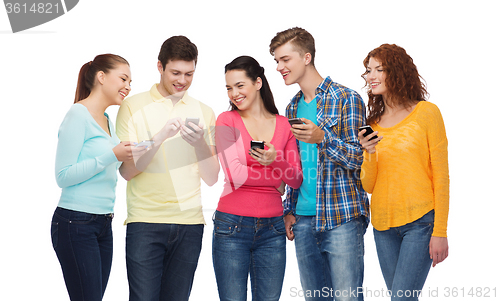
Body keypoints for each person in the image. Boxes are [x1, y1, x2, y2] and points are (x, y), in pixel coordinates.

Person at [115, 36, 219, 301]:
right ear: (159, 67)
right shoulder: (132, 106)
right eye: (175, 72)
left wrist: (199, 145)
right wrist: (159, 137)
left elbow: (211, 178)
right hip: (145, 222)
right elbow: (127, 172)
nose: (182, 80)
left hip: (190, 224)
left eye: (189, 74)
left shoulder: (204, 111)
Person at [269, 27, 369, 301]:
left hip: (342, 218)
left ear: (307, 57)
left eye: (285, 59)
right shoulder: (291, 109)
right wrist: (289, 208)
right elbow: (296, 164)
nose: (279, 67)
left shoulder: (346, 99)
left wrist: (322, 137)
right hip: (302, 220)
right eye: (276, 61)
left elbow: (361, 159)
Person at [358, 44, 449, 300]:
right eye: (368, 71)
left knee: (402, 298)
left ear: (397, 72)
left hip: (420, 223)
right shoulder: (372, 124)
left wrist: (440, 231)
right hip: (383, 226)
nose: (371, 76)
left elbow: (441, 176)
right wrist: (370, 152)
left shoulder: (427, 113)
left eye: (379, 69)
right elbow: (369, 185)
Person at [213, 55, 302, 301]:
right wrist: (276, 180)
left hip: (272, 229)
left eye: (240, 85)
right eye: (229, 88)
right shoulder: (226, 120)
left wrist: (275, 160)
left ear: (258, 83)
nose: (234, 93)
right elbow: (235, 174)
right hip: (231, 226)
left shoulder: (284, 125)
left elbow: (295, 180)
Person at [51, 54, 135, 301]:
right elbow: (63, 176)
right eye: (123, 78)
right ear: (101, 77)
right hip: (75, 223)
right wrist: (111, 155)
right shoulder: (78, 114)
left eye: (131, 82)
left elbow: (114, 164)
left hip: (102, 223)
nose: (128, 87)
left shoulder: (108, 121)